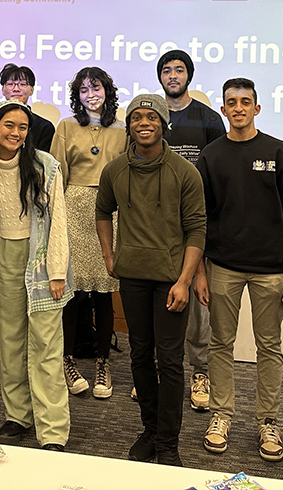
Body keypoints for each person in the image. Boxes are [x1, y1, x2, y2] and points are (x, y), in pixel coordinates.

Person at [95, 94, 206, 467]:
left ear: (163, 124)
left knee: (170, 361)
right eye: (137, 117)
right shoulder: (114, 170)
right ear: (129, 125)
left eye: (152, 117)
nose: (144, 122)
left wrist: (185, 281)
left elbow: (196, 230)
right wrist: (110, 257)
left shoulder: (184, 172)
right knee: (140, 355)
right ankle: (150, 429)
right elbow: (102, 211)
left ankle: (168, 442)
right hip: (133, 278)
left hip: (171, 281)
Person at [197, 78, 283, 461]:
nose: (238, 108)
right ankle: (222, 414)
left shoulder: (278, 151)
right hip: (222, 265)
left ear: (257, 108)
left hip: (272, 268)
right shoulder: (211, 155)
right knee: (220, 343)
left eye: (246, 102)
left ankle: (268, 420)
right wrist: (201, 271)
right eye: (231, 103)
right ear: (223, 110)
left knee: (269, 346)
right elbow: (200, 218)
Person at [0, 100, 72, 449]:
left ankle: (53, 431)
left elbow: (58, 221)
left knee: (45, 345)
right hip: (3, 257)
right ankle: (17, 415)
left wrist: (57, 271)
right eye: (9, 126)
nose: (16, 133)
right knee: (11, 341)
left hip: (42, 259)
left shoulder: (46, 166)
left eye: (23, 127)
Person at [0, 63, 56, 381]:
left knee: (39, 323)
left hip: (35, 228)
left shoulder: (44, 128)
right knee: (0, 306)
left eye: (23, 83)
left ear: (32, 89)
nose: (17, 88)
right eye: (10, 83)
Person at [156, 49, 225, 413]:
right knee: (160, 298)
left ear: (189, 75)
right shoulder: (150, 117)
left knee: (198, 303)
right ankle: (161, 370)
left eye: (178, 70)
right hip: (157, 225)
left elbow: (218, 171)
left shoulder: (208, 119)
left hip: (198, 221)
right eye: (166, 70)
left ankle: (200, 372)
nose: (172, 75)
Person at [50, 67, 126, 398]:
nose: (90, 95)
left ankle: (102, 363)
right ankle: (67, 361)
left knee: (105, 291)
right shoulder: (66, 126)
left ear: (108, 91)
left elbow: (127, 175)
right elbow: (56, 174)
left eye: (95, 88)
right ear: (76, 96)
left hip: (110, 211)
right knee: (74, 292)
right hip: (73, 208)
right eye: (83, 90)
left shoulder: (123, 128)